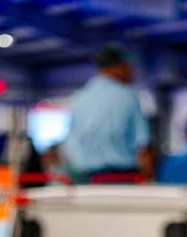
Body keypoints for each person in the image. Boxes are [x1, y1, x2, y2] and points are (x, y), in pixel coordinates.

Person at [63, 44, 152, 182]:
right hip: (124, 179)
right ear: (117, 67)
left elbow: (70, 146)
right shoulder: (128, 96)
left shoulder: (78, 98)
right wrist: (148, 179)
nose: (132, 71)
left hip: (87, 180)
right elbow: (142, 146)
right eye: (129, 66)